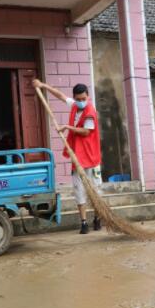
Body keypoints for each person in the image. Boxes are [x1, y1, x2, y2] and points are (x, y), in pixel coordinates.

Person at [32, 79, 102, 234]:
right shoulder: (75, 106)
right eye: (78, 99)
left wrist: (67, 127)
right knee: (79, 190)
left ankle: (98, 218)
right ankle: (84, 222)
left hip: (91, 157)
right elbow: (60, 96)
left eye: (84, 99)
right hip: (77, 156)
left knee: (95, 190)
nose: (81, 102)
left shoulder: (90, 112)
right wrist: (43, 86)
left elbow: (86, 132)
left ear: (88, 97)